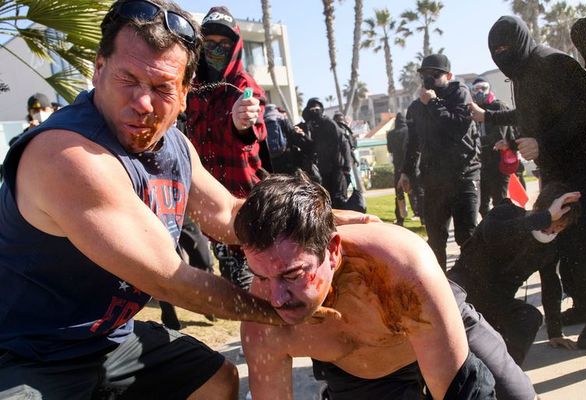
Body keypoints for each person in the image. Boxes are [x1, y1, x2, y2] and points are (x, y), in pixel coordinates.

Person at [0, 2, 368, 397]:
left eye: (161, 88)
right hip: (26, 353)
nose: (143, 103)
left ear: (185, 92)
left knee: (216, 380)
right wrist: (282, 311)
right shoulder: (67, 155)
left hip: (108, 341)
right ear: (99, 67)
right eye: (128, 78)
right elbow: (172, 279)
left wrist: (317, 222)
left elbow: (228, 214)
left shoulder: (172, 143)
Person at [237, 173, 538, 400]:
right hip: (363, 376)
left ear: (331, 250)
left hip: (440, 330)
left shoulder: (400, 268)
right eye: (261, 276)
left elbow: (456, 390)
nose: (276, 298)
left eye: (292, 275)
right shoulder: (263, 323)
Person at [470, 15, 586, 349]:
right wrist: (511, 141)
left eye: (506, 47)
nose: (502, 53)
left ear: (522, 40)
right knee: (568, 247)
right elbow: (531, 115)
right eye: (495, 49)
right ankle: (585, 305)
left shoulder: (550, 63)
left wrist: (544, 143)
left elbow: (585, 111)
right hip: (558, 172)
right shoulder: (524, 72)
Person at [449, 183, 581, 365]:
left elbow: (550, 283)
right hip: (459, 294)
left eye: (560, 226)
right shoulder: (506, 212)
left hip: (493, 305)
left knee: (530, 317)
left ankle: (501, 372)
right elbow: (493, 235)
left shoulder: (549, 248)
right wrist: (545, 218)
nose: (552, 229)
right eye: (552, 221)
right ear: (541, 209)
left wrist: (555, 331)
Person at [185, 6, 268, 291]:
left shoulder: (245, 87)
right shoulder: (192, 89)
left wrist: (241, 122)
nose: (216, 50)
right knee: (233, 284)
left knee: (255, 288)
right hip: (211, 207)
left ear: (235, 46)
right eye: (209, 44)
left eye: (224, 44)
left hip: (245, 207)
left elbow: (253, 131)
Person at [400, 54, 481, 270]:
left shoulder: (459, 93)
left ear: (449, 75)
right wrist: (406, 172)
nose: (429, 79)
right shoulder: (417, 107)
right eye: (425, 75)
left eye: (435, 75)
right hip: (434, 180)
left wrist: (434, 103)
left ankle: (473, 287)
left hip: (463, 177)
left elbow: (458, 129)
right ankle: (440, 289)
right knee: (436, 239)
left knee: (467, 237)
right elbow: (413, 144)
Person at [470, 77, 517, 217]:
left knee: (500, 201)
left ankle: (505, 231)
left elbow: (498, 138)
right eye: (476, 89)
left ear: (489, 89)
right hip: (482, 161)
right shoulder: (475, 110)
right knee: (482, 204)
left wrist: (475, 141)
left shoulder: (498, 106)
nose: (480, 92)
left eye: (483, 88)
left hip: (499, 161)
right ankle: (491, 231)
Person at [297, 98, 353, 208]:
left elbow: (344, 143)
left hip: (338, 168)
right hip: (324, 170)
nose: (314, 111)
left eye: (317, 109)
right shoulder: (313, 127)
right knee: (328, 199)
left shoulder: (329, 123)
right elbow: (313, 146)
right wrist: (302, 135)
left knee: (339, 198)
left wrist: (347, 166)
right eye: (311, 109)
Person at [387, 113, 409, 225]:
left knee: (399, 193)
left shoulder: (391, 134)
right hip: (410, 164)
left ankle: (400, 218)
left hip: (398, 166)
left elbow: (390, 149)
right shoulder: (408, 131)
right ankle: (423, 218)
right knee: (417, 191)